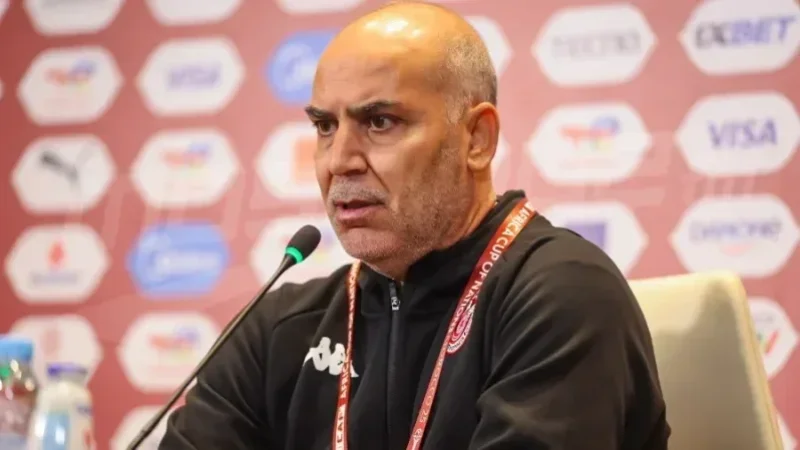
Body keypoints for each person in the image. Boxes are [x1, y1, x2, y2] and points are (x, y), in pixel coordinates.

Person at [159, 2, 670, 449]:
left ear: (476, 139)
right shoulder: (278, 328)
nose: (339, 161)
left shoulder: (562, 292)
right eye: (325, 126)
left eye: (380, 122)